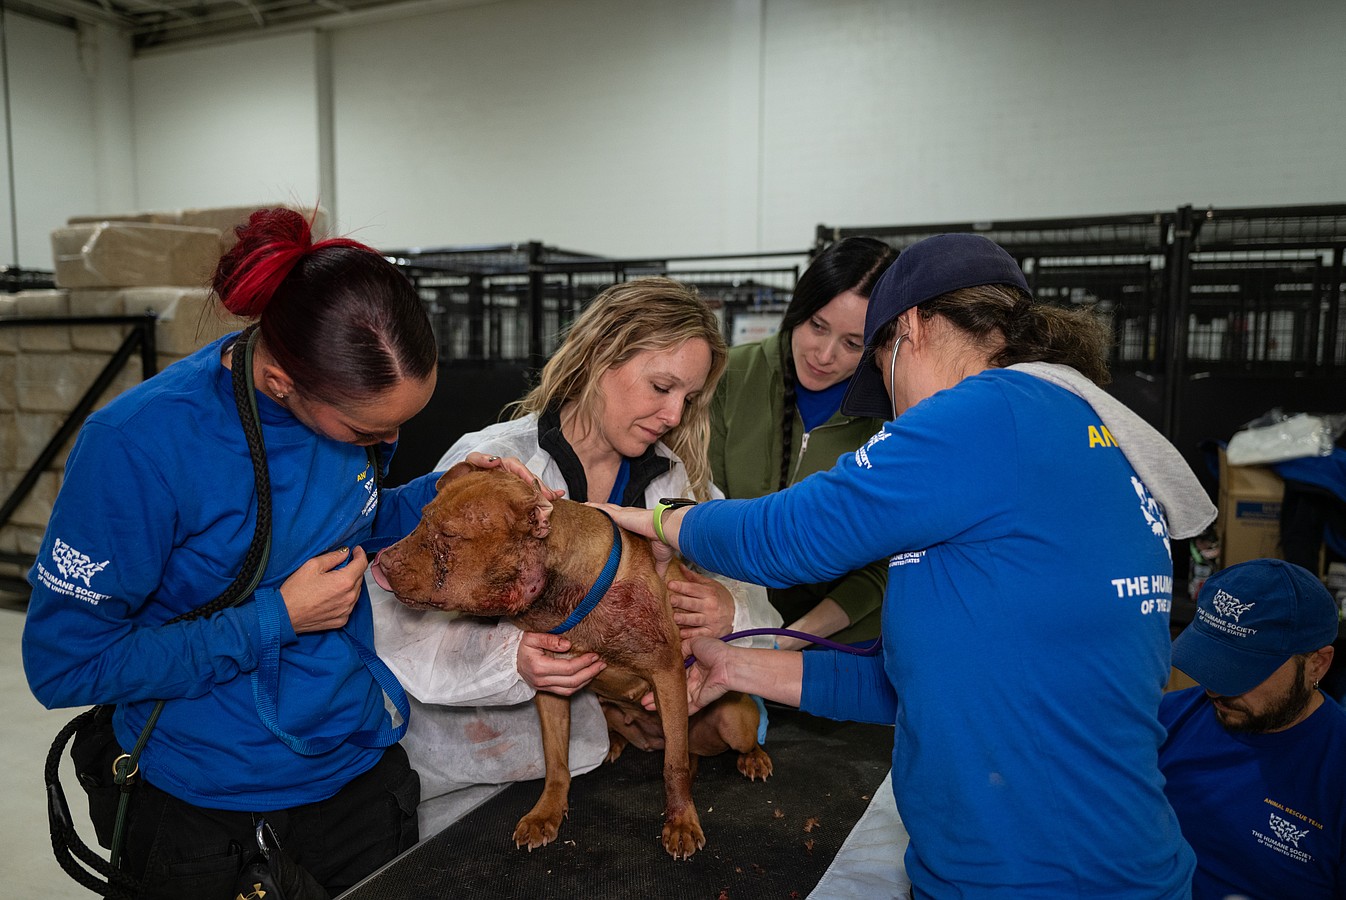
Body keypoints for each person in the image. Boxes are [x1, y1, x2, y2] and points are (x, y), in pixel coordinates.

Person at [597, 233, 1217, 898]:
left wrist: (659, 518)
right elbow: (924, 680)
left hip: (1037, 875)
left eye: (879, 362)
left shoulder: (988, 412)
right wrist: (739, 664)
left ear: (911, 327)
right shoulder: (1061, 430)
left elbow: (790, 534)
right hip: (1088, 860)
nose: (891, 409)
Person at [23, 207, 449, 899]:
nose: (386, 438)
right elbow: (66, 665)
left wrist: (444, 494)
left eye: (401, 424)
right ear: (282, 383)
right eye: (369, 428)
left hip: (357, 771)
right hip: (214, 807)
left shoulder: (350, 419)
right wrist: (273, 620)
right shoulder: (140, 448)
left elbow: (351, 525)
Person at [370, 277, 782, 835]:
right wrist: (511, 658)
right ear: (599, 357)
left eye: (688, 398)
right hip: (484, 779)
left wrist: (727, 610)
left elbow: (759, 606)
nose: (673, 414)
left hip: (618, 778)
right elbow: (400, 617)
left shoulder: (676, 482)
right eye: (661, 386)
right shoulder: (494, 466)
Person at [711, 236, 897, 647]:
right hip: (727, 625)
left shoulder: (894, 413)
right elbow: (700, 508)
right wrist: (743, 624)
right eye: (817, 325)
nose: (824, 354)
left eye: (852, 344)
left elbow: (884, 563)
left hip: (843, 644)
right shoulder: (731, 375)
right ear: (798, 308)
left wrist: (786, 640)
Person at [1160, 558, 1346, 899]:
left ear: (1317, 663)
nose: (1215, 689)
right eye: (1210, 662)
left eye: (1243, 670)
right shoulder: (1165, 723)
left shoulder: (1335, 774)